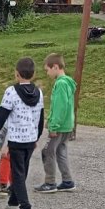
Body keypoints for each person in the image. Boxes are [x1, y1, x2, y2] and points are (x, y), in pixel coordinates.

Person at [0, 57, 44, 209]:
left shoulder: (11, 92)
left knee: (18, 174)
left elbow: (1, 116)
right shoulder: (39, 93)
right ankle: (12, 204)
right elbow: (40, 118)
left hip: (17, 140)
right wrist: (37, 137)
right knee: (22, 172)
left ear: (16, 74)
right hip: (31, 139)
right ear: (33, 74)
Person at [36, 53, 76, 194]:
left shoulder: (60, 84)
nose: (47, 73)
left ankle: (50, 182)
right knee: (60, 151)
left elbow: (60, 107)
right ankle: (67, 181)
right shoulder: (68, 82)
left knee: (47, 151)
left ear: (55, 67)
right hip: (67, 125)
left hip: (59, 127)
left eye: (47, 70)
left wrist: (53, 126)